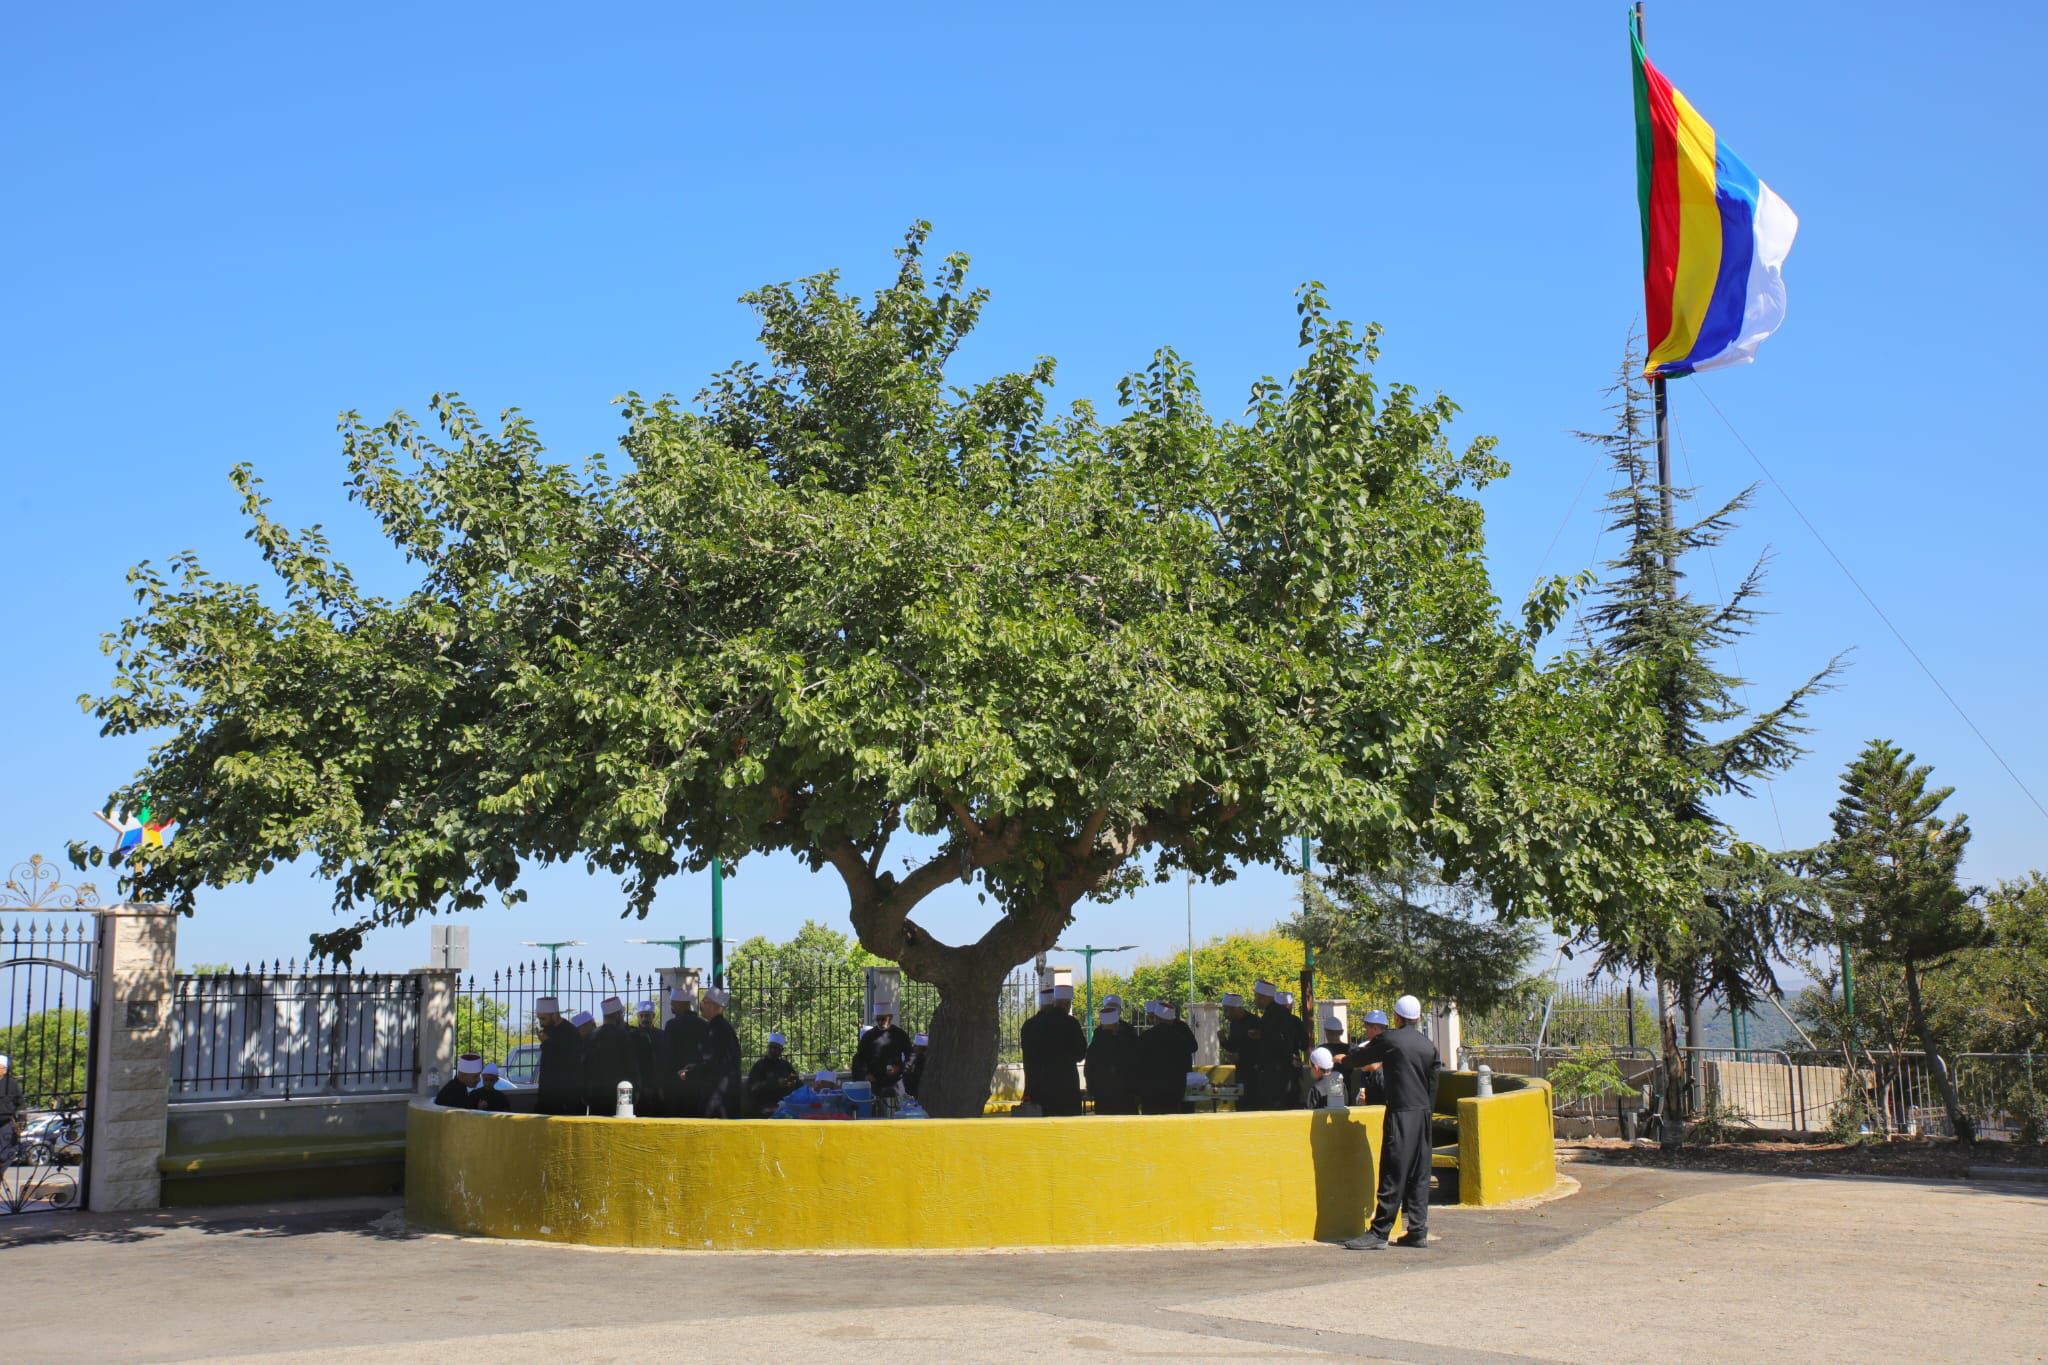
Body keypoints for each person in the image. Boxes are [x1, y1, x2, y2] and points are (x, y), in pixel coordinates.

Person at [1343, 994, 1441, 1251]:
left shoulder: (1390, 1040)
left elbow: (1362, 1058)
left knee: (1393, 1170)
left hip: (1401, 1114)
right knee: (1420, 1174)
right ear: (1418, 1018)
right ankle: (1418, 1230)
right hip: (1423, 1115)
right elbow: (1433, 1083)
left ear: (1396, 1018)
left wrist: (1347, 1057)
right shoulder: (1428, 1045)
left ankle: (1379, 1232)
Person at [1019, 984, 1086, 1116]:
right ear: (1067, 1004)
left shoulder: (1029, 1025)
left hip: (1037, 1091)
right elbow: (1080, 1054)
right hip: (1066, 1092)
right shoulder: (1070, 1023)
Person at [677, 988, 742, 1118]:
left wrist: (689, 1074)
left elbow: (711, 1061)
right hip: (726, 1093)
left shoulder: (716, 1029)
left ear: (714, 1006)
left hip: (716, 1096)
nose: (701, 1005)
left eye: (704, 1002)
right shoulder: (724, 1027)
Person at [585, 996, 642, 1117]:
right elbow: (631, 1063)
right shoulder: (623, 1035)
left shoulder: (592, 1036)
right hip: (619, 1093)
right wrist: (636, 1088)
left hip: (596, 1093)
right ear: (617, 1015)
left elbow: (585, 1064)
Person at [1138, 1002, 1197, 1115]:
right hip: (1174, 1088)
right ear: (1171, 1020)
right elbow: (1192, 1049)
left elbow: (1138, 1061)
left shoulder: (1145, 1037)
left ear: (1156, 1018)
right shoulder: (1180, 1038)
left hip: (1150, 1089)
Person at [1084, 1004, 1141, 1115]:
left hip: (1103, 1097)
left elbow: (1088, 1071)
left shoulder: (1095, 1046)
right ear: (1116, 1024)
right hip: (1127, 1097)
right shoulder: (1128, 1044)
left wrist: (1092, 1090)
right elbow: (1136, 1068)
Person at [534, 996, 586, 1116]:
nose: (541, 1022)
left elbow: (568, 1062)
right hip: (547, 1096)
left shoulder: (570, 1032)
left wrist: (547, 1043)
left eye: (544, 1018)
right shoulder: (548, 1030)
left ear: (555, 1015)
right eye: (539, 1019)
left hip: (565, 1099)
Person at [664, 987, 710, 1116]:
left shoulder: (672, 1025)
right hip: (699, 1082)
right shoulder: (704, 1025)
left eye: (673, 1003)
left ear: (680, 1004)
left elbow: (668, 1055)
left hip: (676, 1084)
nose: (671, 1006)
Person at [852, 1004, 912, 1097]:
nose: (880, 1022)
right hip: (874, 1081)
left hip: (895, 1082)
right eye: (878, 1019)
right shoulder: (868, 1036)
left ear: (890, 1018)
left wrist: (900, 1068)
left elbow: (910, 1055)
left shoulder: (900, 1034)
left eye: (883, 1019)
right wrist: (866, 1074)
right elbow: (860, 1058)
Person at [631, 1000, 674, 1117]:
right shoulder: (632, 1036)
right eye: (642, 1016)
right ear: (638, 1017)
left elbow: (665, 1060)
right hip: (640, 1086)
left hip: (658, 1086)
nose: (644, 1019)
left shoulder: (662, 1035)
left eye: (647, 1015)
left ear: (653, 1016)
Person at [747, 1031, 803, 1116]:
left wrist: (793, 1082)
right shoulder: (759, 1065)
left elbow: (798, 1084)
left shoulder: (785, 1065)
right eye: (770, 1047)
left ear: (781, 1050)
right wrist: (776, 1083)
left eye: (776, 1048)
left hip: (786, 1106)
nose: (772, 1050)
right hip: (764, 1107)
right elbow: (752, 1087)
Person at [1351, 1010, 1389, 1106]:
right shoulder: (1365, 1047)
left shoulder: (1391, 1046)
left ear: (1375, 1028)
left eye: (1367, 1028)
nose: (1366, 1031)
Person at [0, 1054, 26, 1165]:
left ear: (4, 1070)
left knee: (4, 1154)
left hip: (5, 1123)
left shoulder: (12, 1083)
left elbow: (20, 1103)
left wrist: (21, 1119)